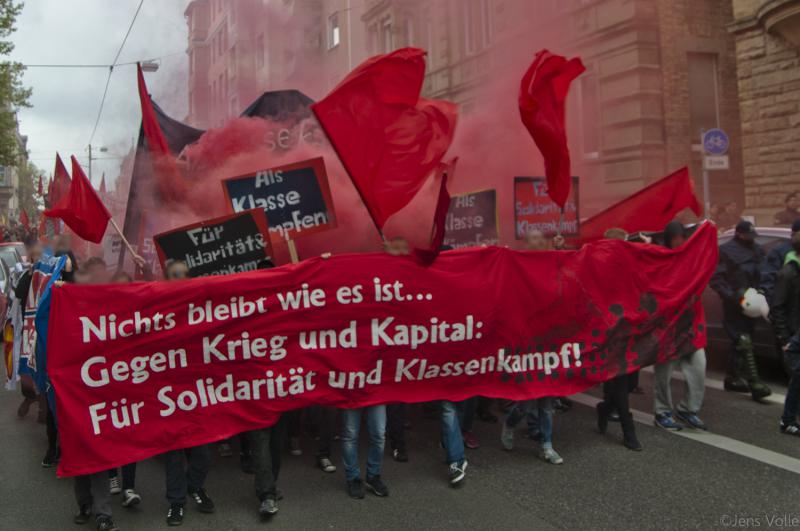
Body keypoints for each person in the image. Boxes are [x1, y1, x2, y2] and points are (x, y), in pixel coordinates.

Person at [500, 228, 564, 464]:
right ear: (525, 243)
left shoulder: (551, 261)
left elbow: (568, 270)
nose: (538, 243)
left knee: (547, 400)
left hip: (549, 341)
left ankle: (546, 446)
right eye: (533, 240)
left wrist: (559, 250)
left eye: (541, 239)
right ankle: (509, 423)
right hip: (526, 342)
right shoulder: (517, 265)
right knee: (527, 400)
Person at [161, 260, 215, 527]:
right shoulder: (157, 307)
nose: (179, 278)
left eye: (183, 274)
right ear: (165, 278)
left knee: (203, 451)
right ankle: (176, 503)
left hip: (198, 392)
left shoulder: (199, 306)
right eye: (174, 275)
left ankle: (194, 486)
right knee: (174, 453)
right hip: (170, 396)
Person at [72, 263, 121, 531]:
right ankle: (84, 504)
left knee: (99, 455)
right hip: (75, 394)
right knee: (79, 454)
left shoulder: (111, 305)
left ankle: (103, 513)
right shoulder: (68, 305)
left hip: (101, 393)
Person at [652, 222, 708, 431]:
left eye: (681, 237)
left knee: (698, 367)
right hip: (667, 328)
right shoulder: (659, 258)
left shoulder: (691, 259)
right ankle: (662, 411)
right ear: (668, 238)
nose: (679, 241)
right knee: (663, 374)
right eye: (675, 237)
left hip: (690, 325)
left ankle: (688, 408)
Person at [710, 220, 772, 401]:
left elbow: (764, 273)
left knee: (744, 339)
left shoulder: (758, 250)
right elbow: (716, 279)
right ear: (739, 234)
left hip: (754, 303)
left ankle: (733, 377)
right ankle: (755, 383)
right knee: (742, 339)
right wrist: (733, 296)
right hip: (734, 303)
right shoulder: (727, 251)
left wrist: (761, 292)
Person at [595, 228, 642, 451]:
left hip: (629, 329)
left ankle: (604, 408)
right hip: (609, 332)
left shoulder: (630, 265)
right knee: (620, 381)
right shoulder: (599, 266)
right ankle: (628, 431)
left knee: (629, 381)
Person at [384, 236, 411, 462]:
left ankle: (398, 440)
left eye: (405, 249)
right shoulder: (375, 272)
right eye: (396, 247)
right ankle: (390, 439)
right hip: (380, 346)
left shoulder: (415, 273)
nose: (401, 252)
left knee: (397, 398)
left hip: (404, 346)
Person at [770, 232, 800, 435]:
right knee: (799, 378)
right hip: (793, 335)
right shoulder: (788, 273)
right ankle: (787, 420)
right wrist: (785, 338)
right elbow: (777, 307)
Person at [760, 219, 800, 302]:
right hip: (788, 305)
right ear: (794, 234)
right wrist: (774, 306)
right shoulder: (779, 251)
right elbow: (768, 280)